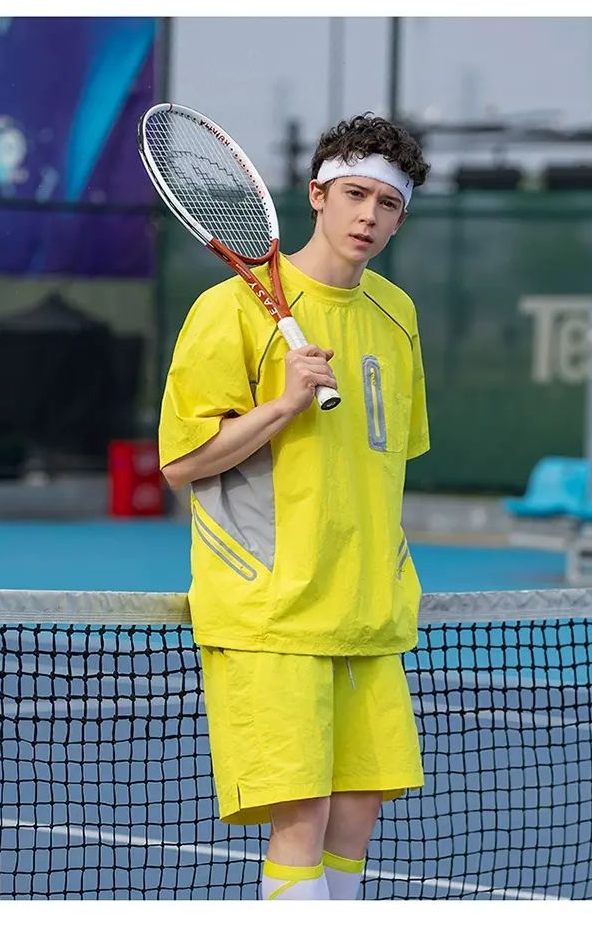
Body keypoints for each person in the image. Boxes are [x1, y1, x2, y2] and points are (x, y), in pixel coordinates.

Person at [159, 113, 431, 900]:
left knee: (358, 810)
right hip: (271, 613)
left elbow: (385, 461)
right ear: (316, 195)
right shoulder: (228, 310)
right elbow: (180, 465)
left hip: (369, 611)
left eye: (388, 204)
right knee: (302, 816)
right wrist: (280, 408)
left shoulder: (398, 315)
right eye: (354, 195)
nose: (368, 216)